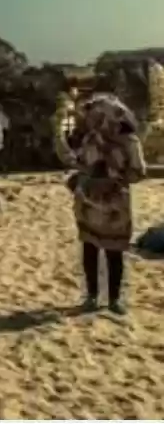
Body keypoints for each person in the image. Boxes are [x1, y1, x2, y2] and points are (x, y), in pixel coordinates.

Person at [68, 92, 147, 315]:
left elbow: (138, 172)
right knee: (90, 248)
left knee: (114, 251)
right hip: (89, 203)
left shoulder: (129, 142)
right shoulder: (90, 139)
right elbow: (82, 164)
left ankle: (114, 299)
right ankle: (92, 296)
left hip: (115, 205)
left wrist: (115, 178)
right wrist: (82, 177)